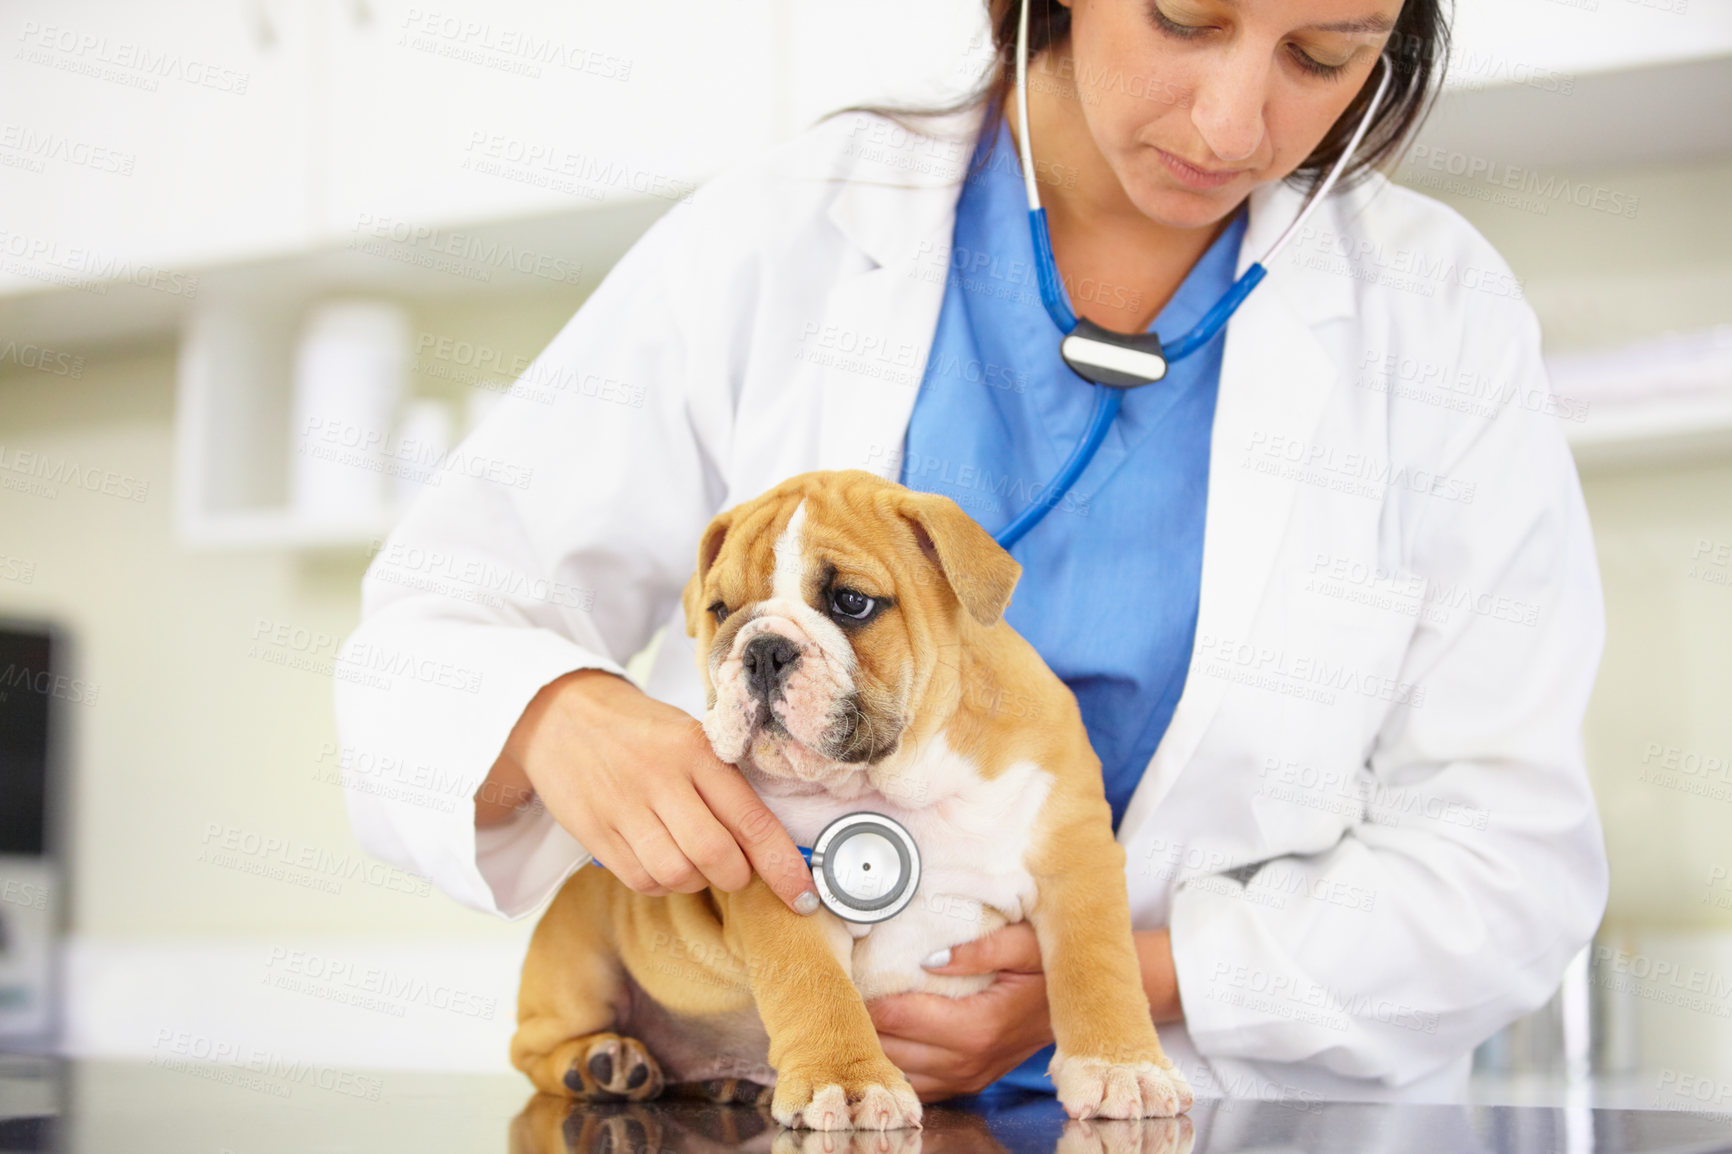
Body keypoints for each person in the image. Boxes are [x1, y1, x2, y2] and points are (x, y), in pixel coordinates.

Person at [334, 0, 1609, 1109]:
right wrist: (554, 710)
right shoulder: (789, 235)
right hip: (770, 1086)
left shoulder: (1436, 315)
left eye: (1325, 56)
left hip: (1215, 1106)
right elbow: (426, 630)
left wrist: (1109, 975)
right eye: (1183, 18)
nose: (1233, 123)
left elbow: (1506, 857)